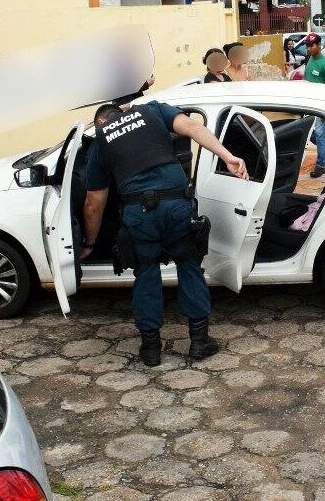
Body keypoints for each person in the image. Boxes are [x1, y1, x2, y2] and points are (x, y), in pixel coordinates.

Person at [80, 100, 249, 366]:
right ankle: (199, 342)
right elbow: (193, 127)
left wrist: (89, 243)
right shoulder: (152, 110)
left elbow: (94, 202)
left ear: (100, 123)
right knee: (189, 266)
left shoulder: (101, 139)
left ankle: (150, 351)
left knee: (146, 273)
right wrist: (227, 157)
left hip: (139, 214)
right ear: (123, 111)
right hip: (176, 206)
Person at [302, 33, 325, 178]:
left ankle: (320, 166)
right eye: (308, 46)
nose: (309, 48)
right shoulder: (309, 59)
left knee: (320, 135)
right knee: (307, 133)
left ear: (319, 45)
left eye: (312, 45)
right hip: (308, 103)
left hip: (321, 106)